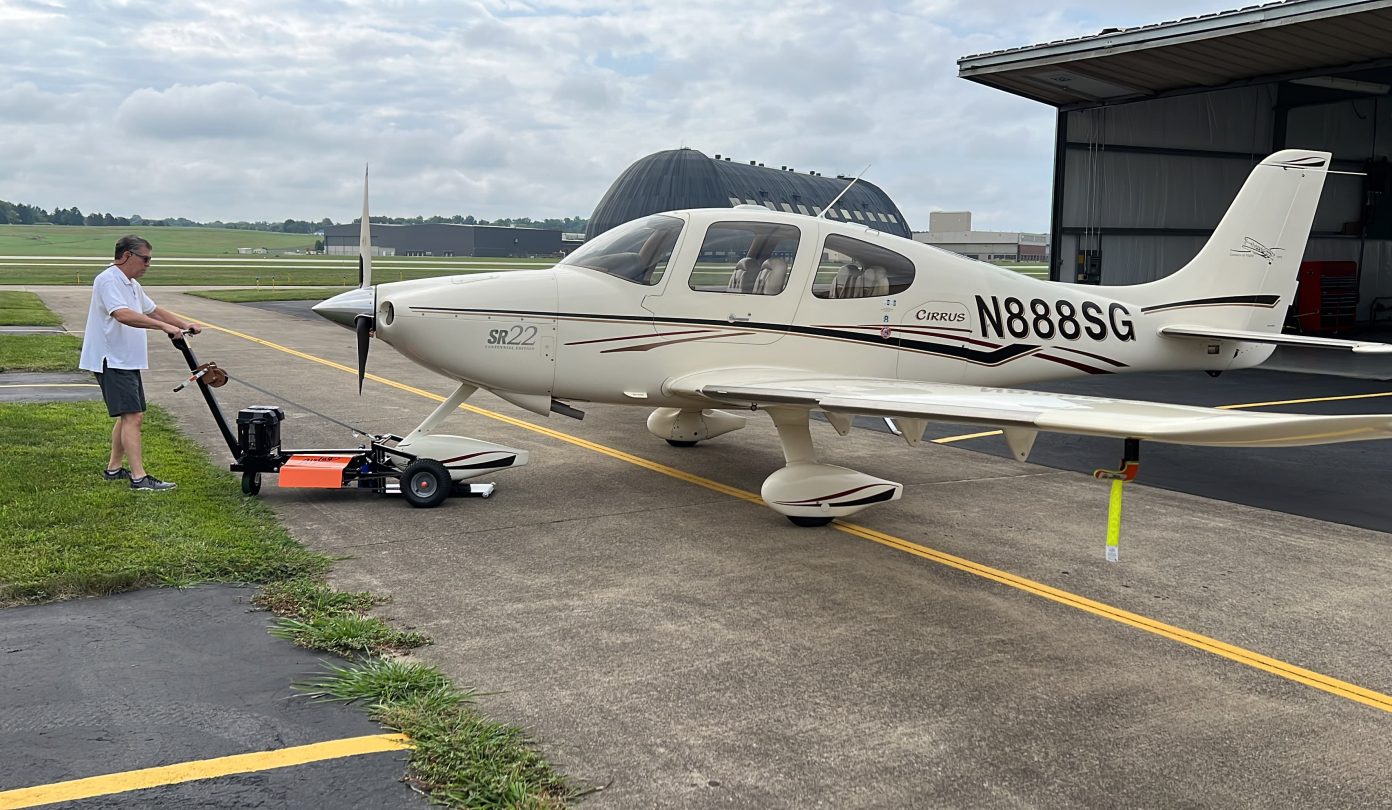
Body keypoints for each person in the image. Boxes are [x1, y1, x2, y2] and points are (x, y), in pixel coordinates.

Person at [79, 235, 202, 491]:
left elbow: (152, 309)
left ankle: (114, 469)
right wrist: (164, 327)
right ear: (127, 256)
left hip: (127, 360)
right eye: (145, 259)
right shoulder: (108, 280)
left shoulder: (131, 284)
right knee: (133, 416)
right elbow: (122, 314)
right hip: (111, 358)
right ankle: (139, 478)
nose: (148, 264)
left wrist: (182, 324)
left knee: (130, 416)